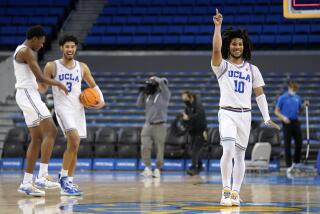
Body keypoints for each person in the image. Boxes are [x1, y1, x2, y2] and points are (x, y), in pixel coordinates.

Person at [211, 9, 280, 206]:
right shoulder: (222, 66)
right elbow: (216, 50)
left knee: (240, 155)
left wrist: (266, 117)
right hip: (227, 113)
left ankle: (235, 192)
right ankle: (225, 191)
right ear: (228, 46)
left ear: (245, 46)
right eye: (233, 43)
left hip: (245, 116)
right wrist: (217, 27)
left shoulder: (253, 69)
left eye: (240, 44)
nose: (237, 46)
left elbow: (260, 94)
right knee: (229, 150)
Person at [39, 34, 105, 195]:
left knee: (74, 147)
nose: (70, 49)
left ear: (75, 48)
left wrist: (101, 101)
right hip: (62, 108)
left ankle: (68, 182)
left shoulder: (82, 67)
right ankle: (63, 177)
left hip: (78, 109)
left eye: (72, 46)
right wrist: (30, 87)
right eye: (67, 46)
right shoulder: (51, 66)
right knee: (74, 139)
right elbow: (43, 87)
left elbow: (93, 86)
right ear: (61, 48)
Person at [14, 25, 68, 196]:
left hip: (29, 94)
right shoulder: (27, 52)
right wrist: (58, 83)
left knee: (37, 138)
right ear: (35, 38)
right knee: (51, 130)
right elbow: (39, 77)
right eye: (42, 42)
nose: (42, 45)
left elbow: (36, 80)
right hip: (27, 94)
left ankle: (26, 183)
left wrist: (45, 85)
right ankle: (42, 176)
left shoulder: (22, 50)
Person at [136, 76, 171, 178]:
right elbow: (138, 105)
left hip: (160, 125)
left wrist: (156, 79)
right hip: (147, 125)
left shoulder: (165, 95)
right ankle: (147, 167)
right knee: (145, 146)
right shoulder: (149, 96)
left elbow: (163, 85)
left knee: (160, 148)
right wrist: (142, 93)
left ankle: (158, 169)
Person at [274, 80, 309, 174]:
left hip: (295, 121)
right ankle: (288, 165)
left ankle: (296, 162)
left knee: (299, 142)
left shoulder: (297, 97)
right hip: (286, 122)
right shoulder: (282, 98)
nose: (294, 90)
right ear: (289, 87)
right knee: (287, 144)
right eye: (293, 89)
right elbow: (276, 111)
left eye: (296, 89)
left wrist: (304, 106)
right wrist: (283, 118)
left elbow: (299, 111)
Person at [181, 91, 207, 176]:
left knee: (195, 150)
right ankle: (199, 165)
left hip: (200, 130)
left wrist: (188, 117)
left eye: (185, 98)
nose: (185, 100)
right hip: (192, 131)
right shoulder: (188, 107)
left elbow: (199, 116)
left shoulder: (198, 105)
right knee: (192, 149)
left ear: (190, 97)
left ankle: (194, 167)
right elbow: (185, 118)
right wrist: (184, 123)